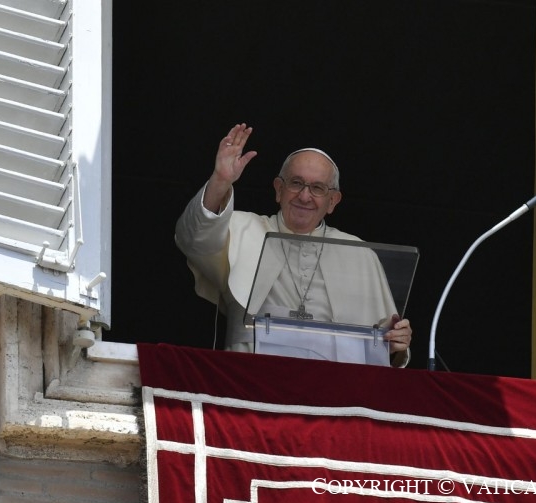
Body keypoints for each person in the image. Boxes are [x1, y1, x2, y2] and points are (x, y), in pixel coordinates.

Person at [175, 123, 412, 367]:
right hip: (251, 375)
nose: (305, 196)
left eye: (318, 188)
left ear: (332, 202)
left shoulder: (359, 254)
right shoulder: (241, 228)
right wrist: (220, 181)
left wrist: (394, 343)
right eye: (296, 183)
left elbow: (381, 341)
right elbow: (193, 238)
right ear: (279, 189)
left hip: (334, 388)